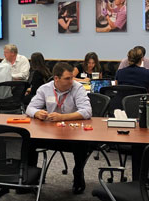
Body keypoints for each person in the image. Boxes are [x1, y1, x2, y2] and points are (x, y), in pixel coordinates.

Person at [26, 62, 92, 194]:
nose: (71, 81)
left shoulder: (78, 88)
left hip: (72, 134)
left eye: (72, 77)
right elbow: (30, 108)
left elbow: (87, 112)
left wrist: (63, 117)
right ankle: (30, 178)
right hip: (49, 133)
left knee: (81, 145)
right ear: (56, 78)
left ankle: (78, 174)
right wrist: (37, 113)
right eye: (67, 78)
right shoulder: (45, 89)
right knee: (29, 141)